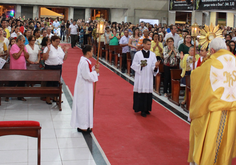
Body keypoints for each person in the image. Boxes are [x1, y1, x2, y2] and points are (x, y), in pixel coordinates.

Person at [188, 38, 236, 165]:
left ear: (213, 50)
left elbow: (197, 76)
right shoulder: (234, 59)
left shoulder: (212, 62)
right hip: (232, 107)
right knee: (225, 140)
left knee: (211, 138)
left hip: (215, 108)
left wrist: (194, 72)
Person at [70, 45, 99, 133]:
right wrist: (95, 72)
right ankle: (83, 126)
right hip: (84, 87)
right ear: (88, 52)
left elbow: (86, 72)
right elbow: (86, 76)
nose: (93, 53)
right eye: (92, 51)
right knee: (84, 106)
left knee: (83, 105)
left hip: (83, 86)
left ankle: (81, 124)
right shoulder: (85, 62)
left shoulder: (84, 61)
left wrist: (94, 69)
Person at [131, 38, 160, 117]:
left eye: (150, 44)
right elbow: (133, 65)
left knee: (148, 93)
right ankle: (141, 109)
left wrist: (156, 66)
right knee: (141, 92)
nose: (149, 46)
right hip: (141, 76)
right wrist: (140, 66)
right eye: (148, 44)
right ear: (143, 44)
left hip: (148, 76)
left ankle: (147, 109)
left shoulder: (153, 54)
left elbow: (154, 66)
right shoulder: (138, 54)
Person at [43, 36, 69, 104]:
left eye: (59, 41)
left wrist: (66, 51)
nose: (58, 43)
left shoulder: (59, 49)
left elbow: (64, 58)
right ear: (52, 41)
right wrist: (48, 50)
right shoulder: (47, 48)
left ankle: (55, 97)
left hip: (58, 67)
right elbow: (45, 58)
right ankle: (48, 98)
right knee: (49, 83)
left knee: (57, 83)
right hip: (50, 67)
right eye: (56, 41)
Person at [9, 35, 29, 101]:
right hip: (14, 69)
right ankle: (8, 95)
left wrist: (24, 50)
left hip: (23, 68)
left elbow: (27, 57)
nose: (24, 42)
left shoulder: (24, 46)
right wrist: (21, 50)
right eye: (23, 40)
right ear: (19, 40)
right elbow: (16, 56)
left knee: (22, 83)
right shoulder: (14, 46)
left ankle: (20, 96)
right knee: (13, 83)